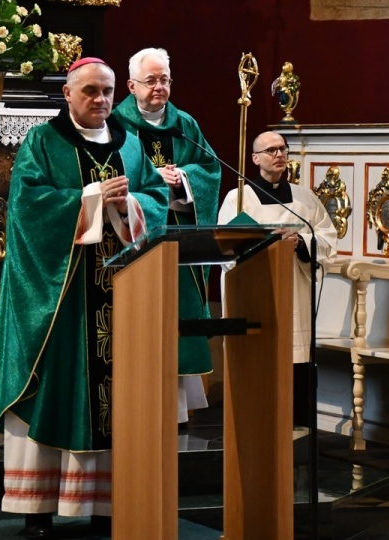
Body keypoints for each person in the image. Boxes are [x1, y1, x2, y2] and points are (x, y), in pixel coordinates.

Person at [0, 57, 168, 539]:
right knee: (54, 390)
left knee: (119, 396)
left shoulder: (130, 145)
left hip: (122, 297)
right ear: (67, 94)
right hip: (61, 302)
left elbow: (156, 199)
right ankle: (37, 508)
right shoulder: (43, 142)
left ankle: (108, 504)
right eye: (90, 92)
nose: (101, 101)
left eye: (107, 92)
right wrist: (90, 199)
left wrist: (132, 206)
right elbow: (25, 207)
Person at [113, 47, 221, 423]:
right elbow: (108, 170)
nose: (159, 87)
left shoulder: (184, 124)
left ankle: (174, 412)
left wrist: (185, 179)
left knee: (180, 314)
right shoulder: (116, 123)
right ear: (131, 85)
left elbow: (210, 168)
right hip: (136, 237)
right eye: (151, 80)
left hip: (178, 237)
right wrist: (152, 179)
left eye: (165, 80)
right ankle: (134, 406)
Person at [217, 130, 336, 424]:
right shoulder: (239, 198)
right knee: (260, 366)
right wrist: (265, 242)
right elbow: (226, 246)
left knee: (295, 368)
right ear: (255, 158)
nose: (280, 154)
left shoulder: (304, 197)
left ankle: (298, 430)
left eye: (283, 149)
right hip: (258, 290)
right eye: (271, 150)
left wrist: (300, 242)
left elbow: (327, 238)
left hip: (293, 290)